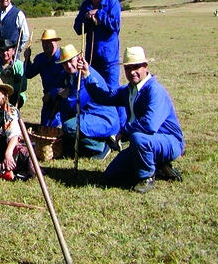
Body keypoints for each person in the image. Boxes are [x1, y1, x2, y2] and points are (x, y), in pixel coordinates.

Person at [79, 46, 184, 193]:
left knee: (137, 137)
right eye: (128, 68)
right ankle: (158, 165)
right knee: (112, 174)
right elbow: (103, 97)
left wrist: (124, 131)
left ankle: (146, 177)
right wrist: (87, 74)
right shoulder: (128, 90)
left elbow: (149, 125)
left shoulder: (154, 91)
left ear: (145, 67)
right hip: (143, 141)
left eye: (136, 67)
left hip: (169, 142)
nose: (132, 72)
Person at [51, 44, 120, 160]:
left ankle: (101, 146)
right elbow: (53, 87)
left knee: (69, 127)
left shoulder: (84, 77)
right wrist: (58, 92)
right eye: (64, 63)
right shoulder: (68, 74)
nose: (68, 65)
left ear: (78, 58)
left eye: (71, 61)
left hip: (102, 117)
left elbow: (73, 104)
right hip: (87, 115)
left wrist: (65, 95)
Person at [73, 0, 122, 90]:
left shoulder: (112, 1)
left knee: (112, 92)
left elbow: (116, 25)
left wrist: (98, 14)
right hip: (91, 59)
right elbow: (77, 28)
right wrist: (87, 18)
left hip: (109, 59)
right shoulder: (86, 5)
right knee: (94, 91)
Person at [24, 29, 64, 127]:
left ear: (56, 42)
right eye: (43, 43)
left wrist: (52, 93)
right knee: (45, 128)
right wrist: (27, 59)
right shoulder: (40, 59)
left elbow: (65, 81)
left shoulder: (63, 58)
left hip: (62, 100)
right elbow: (28, 74)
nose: (45, 45)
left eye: (48, 42)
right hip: (48, 101)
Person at [0, 0, 29, 66]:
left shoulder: (18, 13)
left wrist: (17, 49)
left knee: (13, 77)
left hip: (12, 56)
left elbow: (25, 35)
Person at [0, 39, 27, 108]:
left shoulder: (19, 65)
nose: (5, 53)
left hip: (15, 95)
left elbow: (23, 85)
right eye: (2, 51)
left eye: (7, 50)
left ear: (13, 51)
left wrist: (9, 90)